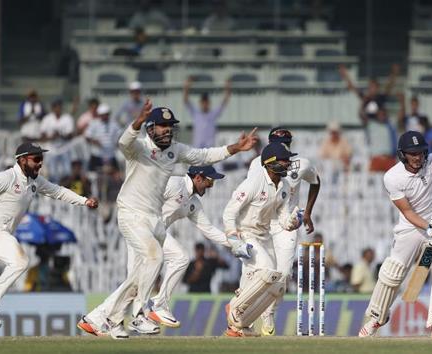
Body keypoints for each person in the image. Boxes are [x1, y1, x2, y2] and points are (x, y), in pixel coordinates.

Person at [83, 100, 258, 339]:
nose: (167, 130)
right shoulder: (139, 148)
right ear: (150, 128)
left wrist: (235, 148)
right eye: (162, 126)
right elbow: (123, 142)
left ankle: (102, 319)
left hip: (154, 221)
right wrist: (137, 122)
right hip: (132, 214)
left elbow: (203, 155)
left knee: (141, 275)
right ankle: (141, 315)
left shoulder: (176, 150)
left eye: (170, 126)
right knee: (154, 259)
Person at [79, 165, 252, 335]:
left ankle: (102, 319)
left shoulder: (193, 203)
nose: (210, 186)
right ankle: (154, 307)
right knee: (179, 258)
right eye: (209, 181)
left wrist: (235, 243)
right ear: (198, 177)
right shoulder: (175, 184)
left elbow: (209, 230)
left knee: (137, 282)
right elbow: (145, 196)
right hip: (142, 228)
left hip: (156, 235)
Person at [0, 142, 98, 328]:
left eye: (41, 159)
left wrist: (84, 201)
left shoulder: (34, 182)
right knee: (20, 261)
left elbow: (58, 192)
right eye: (36, 159)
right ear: (21, 160)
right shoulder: (7, 177)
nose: (40, 163)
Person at [358, 131, 432, 339]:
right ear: (402, 154)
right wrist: (429, 227)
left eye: (421, 153)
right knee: (393, 271)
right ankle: (376, 318)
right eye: (412, 154)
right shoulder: (392, 177)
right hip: (412, 227)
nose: (418, 157)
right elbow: (408, 212)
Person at [223, 142, 304, 337]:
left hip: (264, 236)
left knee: (278, 284)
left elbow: (283, 220)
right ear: (271, 162)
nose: (288, 164)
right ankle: (234, 308)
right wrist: (233, 237)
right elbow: (229, 211)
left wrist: (293, 221)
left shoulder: (284, 186)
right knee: (268, 272)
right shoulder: (253, 182)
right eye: (285, 160)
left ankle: (241, 325)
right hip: (246, 233)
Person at [246, 127, 321, 336]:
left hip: (286, 224)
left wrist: (307, 212)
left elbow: (316, 182)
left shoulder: (301, 163)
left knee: (284, 274)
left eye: (286, 142)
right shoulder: (256, 163)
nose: (283, 146)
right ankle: (246, 315)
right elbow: (251, 191)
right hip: (263, 223)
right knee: (258, 271)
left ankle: (269, 312)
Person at [184, 77, 231, 148]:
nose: (204, 104)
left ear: (209, 103)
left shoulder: (213, 114)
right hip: (197, 147)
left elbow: (224, 102)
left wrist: (227, 88)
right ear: (200, 103)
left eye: (206, 102)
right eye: (203, 102)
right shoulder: (195, 113)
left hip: (209, 147)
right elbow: (186, 100)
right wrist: (187, 87)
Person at [39, 99, 75, 182]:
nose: (58, 108)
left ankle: (66, 190)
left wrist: (61, 135)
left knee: (67, 172)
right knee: (52, 173)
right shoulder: (47, 119)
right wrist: (52, 137)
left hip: (64, 148)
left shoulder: (67, 118)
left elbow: (70, 136)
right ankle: (54, 192)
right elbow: (42, 136)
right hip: (51, 149)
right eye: (56, 107)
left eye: (59, 106)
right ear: (53, 108)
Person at [85, 103, 122, 172]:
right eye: (102, 115)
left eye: (106, 114)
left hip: (111, 154)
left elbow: (120, 134)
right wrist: (94, 141)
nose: (104, 116)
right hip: (97, 154)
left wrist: (117, 142)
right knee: (94, 174)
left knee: (115, 173)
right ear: (99, 115)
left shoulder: (114, 124)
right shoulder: (94, 123)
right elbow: (87, 136)